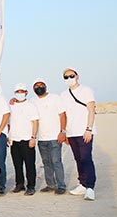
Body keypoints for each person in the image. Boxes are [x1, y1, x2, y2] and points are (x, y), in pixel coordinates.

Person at [61, 67, 98, 201]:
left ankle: (90, 187)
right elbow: (64, 114)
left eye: (71, 76)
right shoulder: (64, 94)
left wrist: (89, 129)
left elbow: (91, 110)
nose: (69, 79)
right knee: (77, 158)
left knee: (86, 158)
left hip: (84, 131)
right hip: (72, 132)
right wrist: (64, 132)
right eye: (66, 77)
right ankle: (82, 183)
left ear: (77, 76)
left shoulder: (86, 90)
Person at [29, 78, 67, 194]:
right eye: (36, 86)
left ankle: (61, 186)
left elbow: (62, 115)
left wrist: (63, 131)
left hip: (55, 137)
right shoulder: (32, 101)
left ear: (45, 86)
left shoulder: (55, 98)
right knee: (46, 162)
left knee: (56, 161)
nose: (39, 88)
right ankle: (50, 184)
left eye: (41, 85)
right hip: (41, 138)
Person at [8, 83, 39, 196]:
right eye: (17, 92)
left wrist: (33, 137)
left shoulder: (30, 106)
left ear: (26, 93)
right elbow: (9, 123)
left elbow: (35, 122)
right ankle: (19, 184)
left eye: (22, 91)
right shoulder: (12, 106)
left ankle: (31, 186)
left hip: (27, 139)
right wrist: (9, 136)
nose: (19, 94)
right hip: (14, 140)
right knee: (17, 164)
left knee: (30, 164)